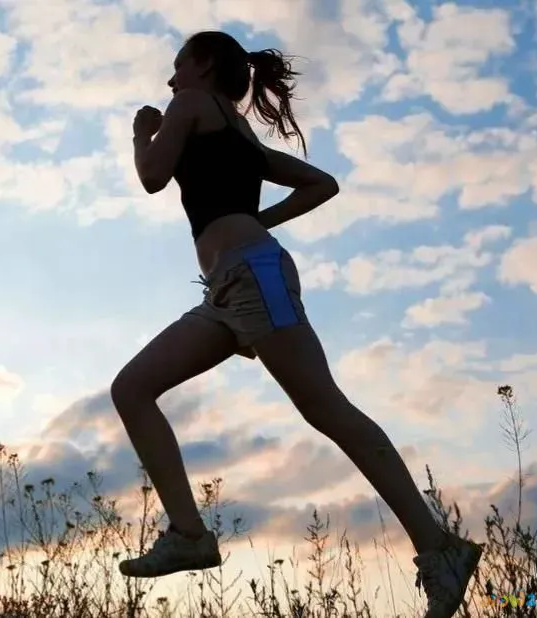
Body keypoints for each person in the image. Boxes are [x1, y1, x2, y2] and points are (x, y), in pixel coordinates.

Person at [110, 30, 481, 618]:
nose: (170, 78)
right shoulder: (239, 135)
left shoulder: (190, 106)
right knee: (131, 388)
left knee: (328, 410)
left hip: (254, 279)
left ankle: (440, 549)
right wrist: (257, 220)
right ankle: (189, 535)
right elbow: (322, 183)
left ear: (203, 65)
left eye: (178, 65)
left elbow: (153, 175)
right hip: (231, 288)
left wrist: (140, 135)